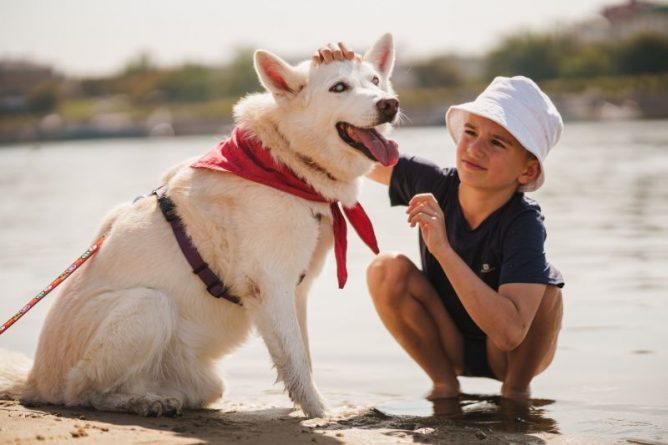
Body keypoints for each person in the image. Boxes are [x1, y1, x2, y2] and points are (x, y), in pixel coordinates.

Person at [314, 44, 564, 400]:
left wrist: (442, 248)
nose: (475, 149)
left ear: (527, 168)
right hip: (447, 342)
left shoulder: (523, 223)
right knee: (386, 268)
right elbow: (350, 149)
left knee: (547, 289)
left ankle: (515, 398)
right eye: (471, 132)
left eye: (497, 142)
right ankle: (444, 386)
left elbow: (510, 334)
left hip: (507, 356)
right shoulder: (433, 181)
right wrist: (335, 75)